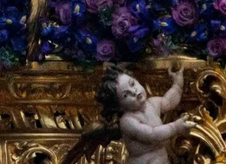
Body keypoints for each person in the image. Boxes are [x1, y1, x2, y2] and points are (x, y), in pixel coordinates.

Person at [61, 65, 191, 164]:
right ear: (119, 105)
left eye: (132, 83)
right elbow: (151, 135)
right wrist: (175, 127)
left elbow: (169, 101)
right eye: (125, 95)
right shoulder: (128, 121)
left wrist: (177, 84)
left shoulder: (152, 103)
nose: (134, 92)